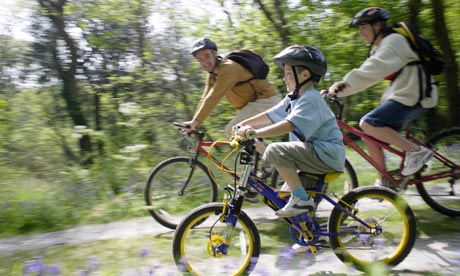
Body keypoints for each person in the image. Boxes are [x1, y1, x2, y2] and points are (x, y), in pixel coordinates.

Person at [327, 7, 438, 186]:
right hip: (406, 96)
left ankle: (417, 152)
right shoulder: (381, 47)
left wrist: (340, 88)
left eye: (363, 27)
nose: (360, 32)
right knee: (368, 134)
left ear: (377, 25)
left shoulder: (393, 41)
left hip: (416, 96)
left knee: (368, 123)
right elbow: (368, 74)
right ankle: (385, 179)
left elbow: (371, 70)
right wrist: (340, 87)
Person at [236, 45, 345, 217]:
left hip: (326, 153)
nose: (283, 78)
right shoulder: (294, 98)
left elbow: (289, 124)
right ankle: (312, 237)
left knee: (274, 149)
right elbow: (270, 115)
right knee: (285, 199)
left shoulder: (310, 98)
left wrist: (255, 133)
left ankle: (301, 199)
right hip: (317, 154)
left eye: (287, 73)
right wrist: (243, 124)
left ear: (305, 75)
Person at [184, 38, 281, 138]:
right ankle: (263, 154)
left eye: (207, 56)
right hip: (255, 106)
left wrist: (196, 121)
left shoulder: (228, 68)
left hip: (266, 101)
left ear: (214, 53)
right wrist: (194, 123)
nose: (204, 62)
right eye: (200, 59)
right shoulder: (213, 75)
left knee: (233, 131)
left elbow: (214, 97)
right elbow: (204, 99)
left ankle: (268, 153)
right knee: (246, 142)